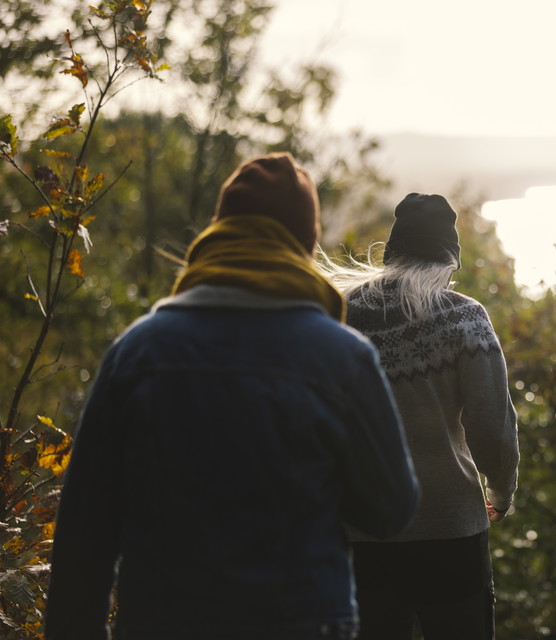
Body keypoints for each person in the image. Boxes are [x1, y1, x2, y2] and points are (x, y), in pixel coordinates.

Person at [44, 152, 419, 640]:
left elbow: (83, 535)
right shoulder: (342, 358)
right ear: (304, 245)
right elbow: (390, 509)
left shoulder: (138, 352)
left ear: (218, 232)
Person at [317, 193, 520, 640]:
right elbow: (492, 428)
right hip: (450, 534)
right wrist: (502, 493)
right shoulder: (464, 318)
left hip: (359, 532)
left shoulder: (337, 317)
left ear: (392, 254)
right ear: (449, 261)